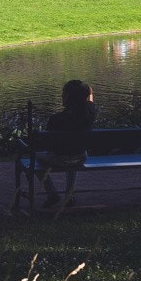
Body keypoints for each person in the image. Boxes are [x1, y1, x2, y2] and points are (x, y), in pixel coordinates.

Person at [41, 79, 96, 208]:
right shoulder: (89, 114)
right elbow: (91, 102)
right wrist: (88, 91)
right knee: (73, 152)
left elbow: (49, 144)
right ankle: (69, 195)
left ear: (67, 97)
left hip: (58, 158)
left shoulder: (56, 119)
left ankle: (52, 193)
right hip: (80, 157)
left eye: (63, 93)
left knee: (35, 159)